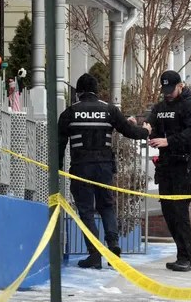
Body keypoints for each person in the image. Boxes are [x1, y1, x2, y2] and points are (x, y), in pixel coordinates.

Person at [58, 73, 151, 269]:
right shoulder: (109, 110)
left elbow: (59, 145)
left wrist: (57, 169)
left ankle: (94, 253)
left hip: (81, 167)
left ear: (79, 92)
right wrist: (145, 131)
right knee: (106, 206)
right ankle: (113, 245)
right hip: (104, 167)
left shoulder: (69, 112)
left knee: (86, 210)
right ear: (96, 91)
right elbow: (129, 131)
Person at [146, 70, 191, 272]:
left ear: (181, 86)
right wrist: (142, 127)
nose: (168, 94)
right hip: (166, 165)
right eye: (165, 90)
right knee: (169, 212)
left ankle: (187, 257)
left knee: (180, 211)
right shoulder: (160, 107)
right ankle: (186, 255)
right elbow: (150, 124)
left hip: (184, 164)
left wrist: (168, 141)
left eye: (171, 89)